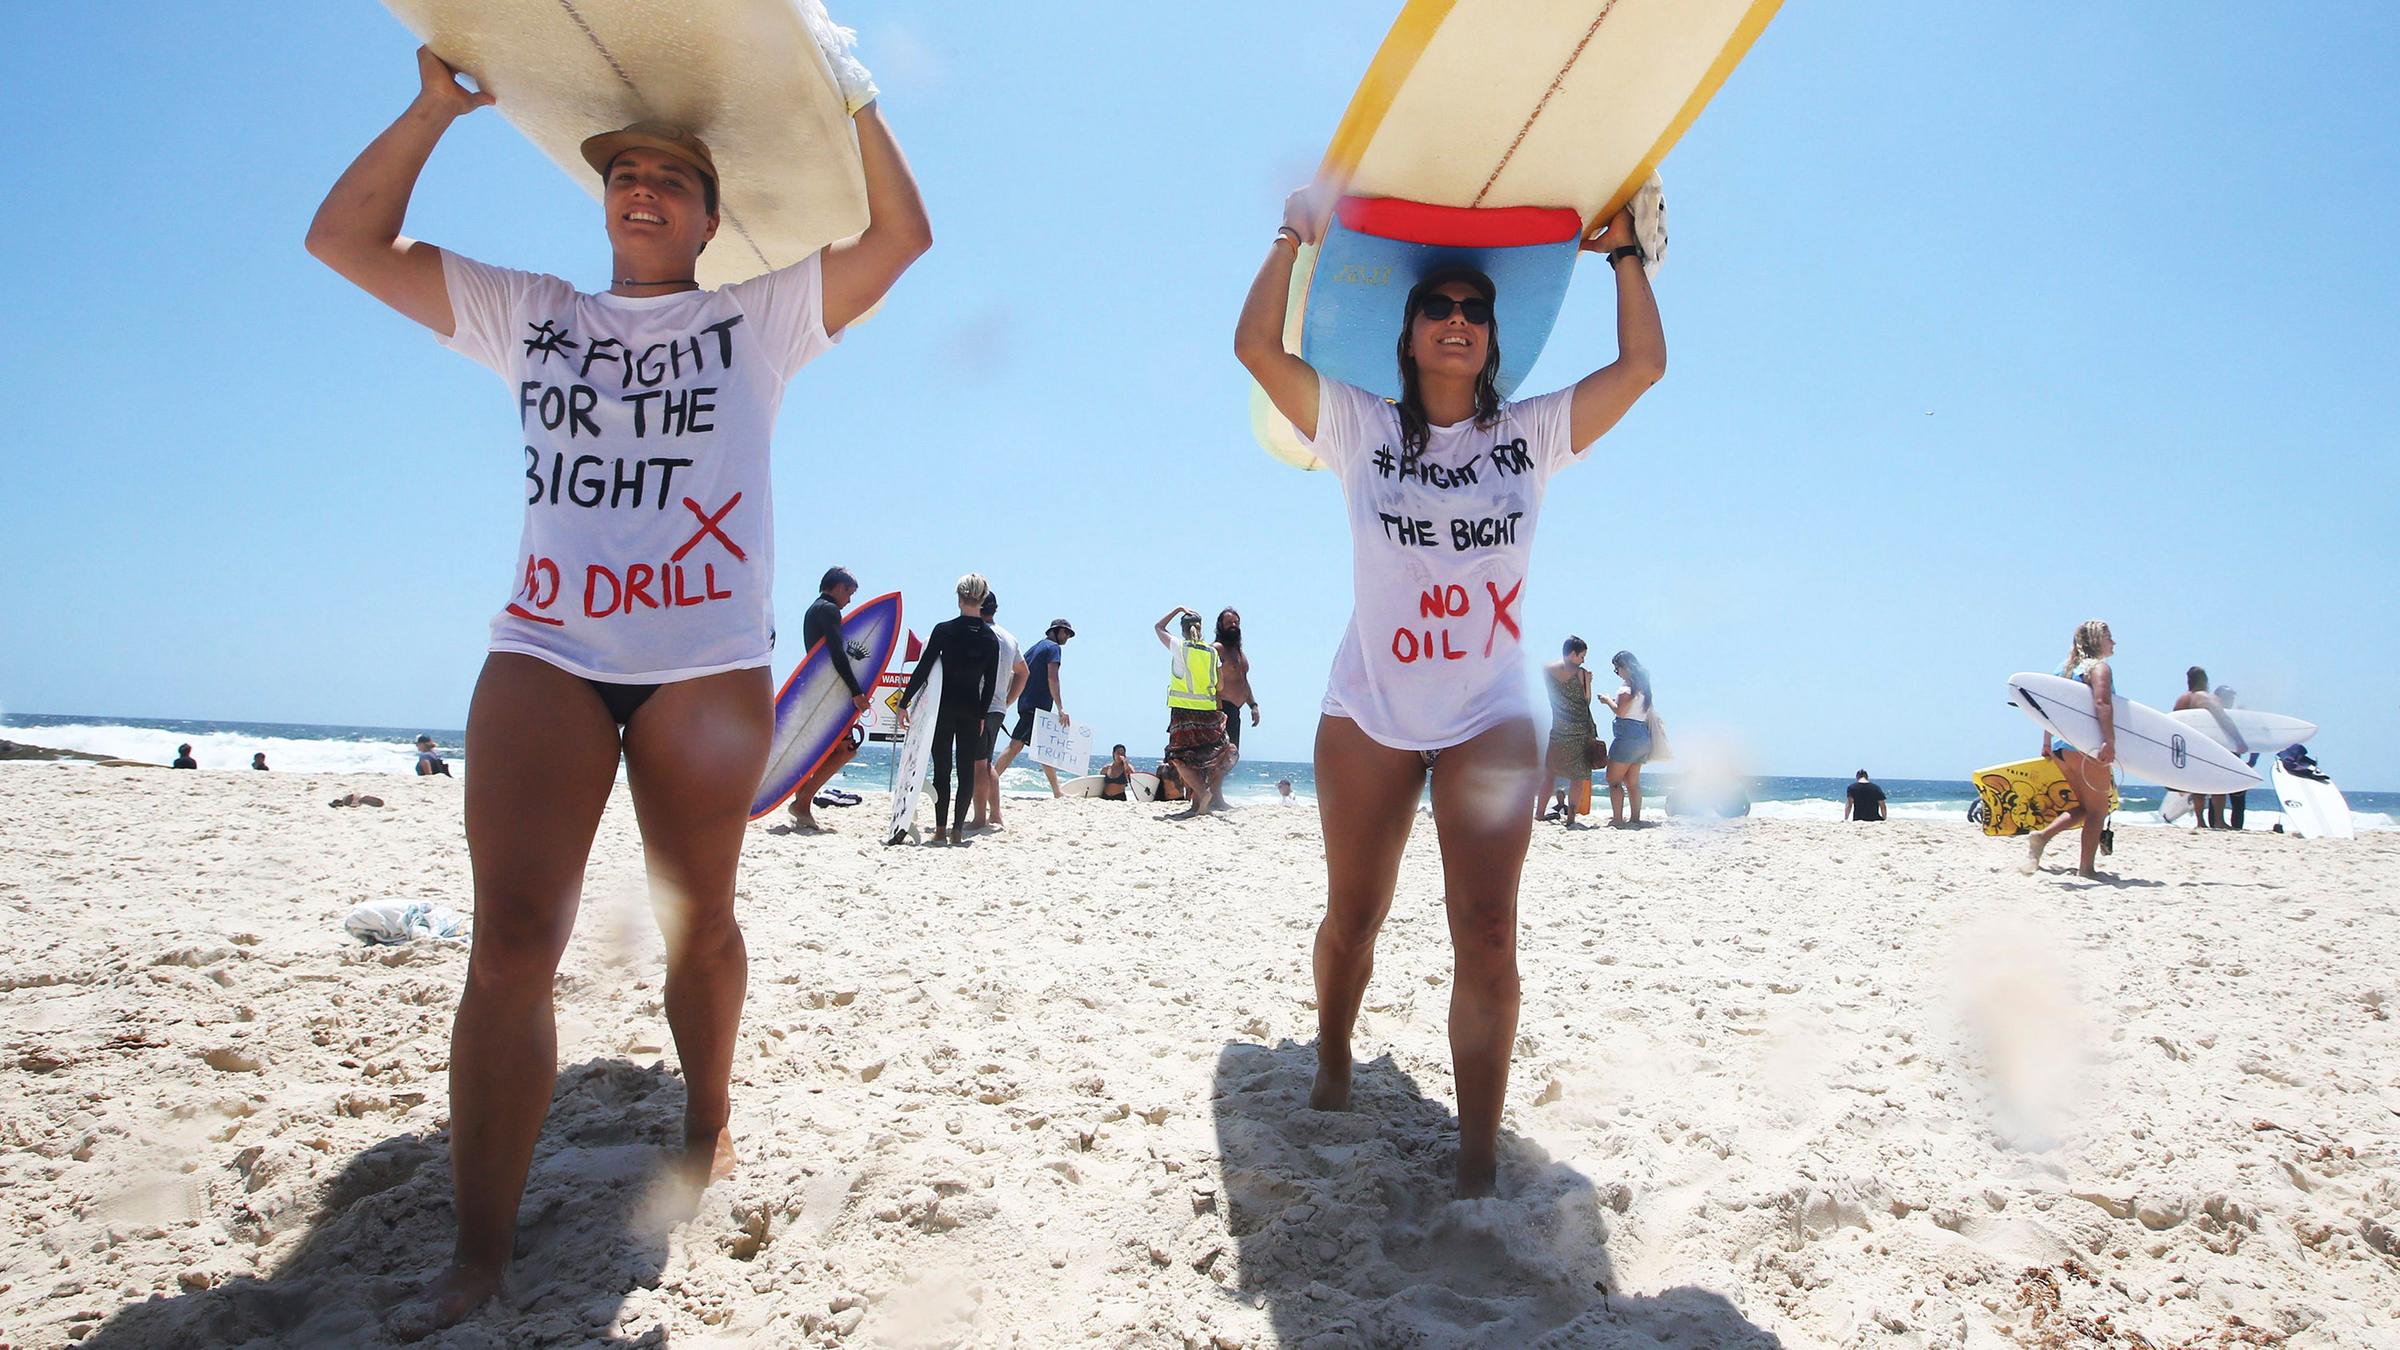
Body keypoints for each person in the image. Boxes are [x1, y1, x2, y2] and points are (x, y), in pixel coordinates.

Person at [305, 36, 930, 1328]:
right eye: (623, 176)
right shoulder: (536, 314)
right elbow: (345, 241)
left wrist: (856, 94)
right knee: (511, 944)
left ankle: (708, 1116)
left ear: (709, 220)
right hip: (547, 654)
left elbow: (900, 239)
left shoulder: (754, 321)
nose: (641, 191)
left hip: (705, 665)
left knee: (699, 923)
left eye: (671, 180)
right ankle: (480, 1255)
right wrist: (431, 113)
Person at [1236, 177, 1665, 1195]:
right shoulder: (1361, 427)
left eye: (1477, 308)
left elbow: (1642, 366)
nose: (1459, 318)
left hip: (1487, 715)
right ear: (1410, 330)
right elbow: (1257, 350)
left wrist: (1623, 254)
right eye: (1439, 305)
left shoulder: (1530, 435)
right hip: (1369, 709)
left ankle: (1476, 1160)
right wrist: (1294, 233)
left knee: (1488, 928)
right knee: (1355, 915)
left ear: (1494, 337)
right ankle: (1333, 1054)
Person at [896, 575, 1000, 846]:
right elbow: (989, 683)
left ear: (959, 598)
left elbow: (923, 668)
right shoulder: (990, 638)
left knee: (942, 769)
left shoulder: (944, 630)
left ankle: (940, 830)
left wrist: (904, 703)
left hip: (943, 708)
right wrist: (982, 715)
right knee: (966, 771)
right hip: (971, 709)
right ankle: (957, 831)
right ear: (983, 599)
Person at [2024, 620, 2119, 878]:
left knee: (2086, 807)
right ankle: (2086, 869)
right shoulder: (2099, 668)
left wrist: (2047, 742)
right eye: (2109, 637)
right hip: (2086, 746)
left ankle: (2041, 837)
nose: (2114, 642)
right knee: (2098, 810)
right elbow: (2102, 704)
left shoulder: (2063, 670)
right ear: (2097, 640)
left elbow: (2046, 709)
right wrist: (2109, 741)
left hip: (2061, 747)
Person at [786, 568, 874, 831]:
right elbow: (837, 653)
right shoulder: (830, 610)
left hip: (813, 690)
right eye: (849, 593)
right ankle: (803, 801)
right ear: (839, 587)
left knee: (820, 748)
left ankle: (802, 798)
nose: (849, 600)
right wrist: (856, 691)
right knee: (846, 749)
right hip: (827, 693)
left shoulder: (813, 609)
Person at [1155, 605, 1238, 818]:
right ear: (1201, 629)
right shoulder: (1212, 652)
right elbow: (1220, 686)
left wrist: (1177, 609)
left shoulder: (1179, 647)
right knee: (1202, 759)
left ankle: (1202, 792)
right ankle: (1196, 806)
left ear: (1183, 629)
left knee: (1179, 758)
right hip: (1209, 712)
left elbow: (1159, 627)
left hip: (1184, 712)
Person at [994, 619, 1074, 797]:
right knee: (1014, 746)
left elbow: (1015, 674)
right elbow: (1052, 677)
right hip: (1037, 705)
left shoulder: (1034, 649)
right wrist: (1060, 707)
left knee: (1044, 749)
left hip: (1027, 703)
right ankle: (990, 782)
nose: (1067, 637)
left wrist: (1007, 700)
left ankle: (1057, 791)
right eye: (1066, 633)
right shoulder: (1053, 648)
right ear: (1056, 631)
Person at [968, 591, 1027, 832]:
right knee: (987, 762)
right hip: (998, 707)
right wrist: (1008, 700)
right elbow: (1023, 672)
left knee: (978, 764)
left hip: (979, 706)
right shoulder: (1009, 637)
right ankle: (995, 814)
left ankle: (980, 818)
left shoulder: (976, 633)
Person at [2172, 667, 2246, 830]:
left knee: (2198, 786)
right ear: (2204, 680)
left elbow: (2174, 725)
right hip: (2208, 746)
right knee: (2218, 783)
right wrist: (2238, 740)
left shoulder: (2181, 700)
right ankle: (2219, 821)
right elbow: (2223, 718)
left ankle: (2200, 822)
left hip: (2189, 747)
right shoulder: (2206, 697)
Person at [1541, 638, 1599, 827]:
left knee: (1550, 773)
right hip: (1580, 728)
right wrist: (1588, 682)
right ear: (1573, 654)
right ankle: (1571, 817)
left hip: (1559, 726)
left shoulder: (1548, 670)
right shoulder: (1581, 673)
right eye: (1581, 656)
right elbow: (1586, 700)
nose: (1583, 660)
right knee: (1578, 776)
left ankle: (1539, 813)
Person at [1213, 608, 1260, 809]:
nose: (1233, 626)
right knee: (1221, 755)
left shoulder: (1239, 653)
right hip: (1221, 708)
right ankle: (1215, 798)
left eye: (1236, 622)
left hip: (1236, 710)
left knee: (1231, 755)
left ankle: (1214, 795)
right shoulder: (1217, 649)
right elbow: (1207, 679)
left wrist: (1253, 705)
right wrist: (1216, 706)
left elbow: (1244, 681)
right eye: (1229, 623)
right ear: (1221, 626)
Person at [1603, 651, 1655, 827]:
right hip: (1642, 737)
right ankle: (1635, 818)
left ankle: (1617, 818)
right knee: (1633, 782)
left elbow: (1621, 712)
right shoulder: (1644, 689)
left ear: (1624, 667)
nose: (1617, 672)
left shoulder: (1626, 689)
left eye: (1617, 669)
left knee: (1613, 780)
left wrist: (1607, 700)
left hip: (1627, 736)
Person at [2218, 685, 2257, 830]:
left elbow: (2254, 737)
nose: (2231, 700)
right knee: (2217, 796)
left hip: (2235, 762)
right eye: (2228, 697)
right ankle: (2216, 825)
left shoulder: (2238, 716)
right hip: (2217, 761)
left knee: (2238, 799)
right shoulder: (2211, 716)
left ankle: (2237, 828)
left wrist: (2252, 760)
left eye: (2232, 697)